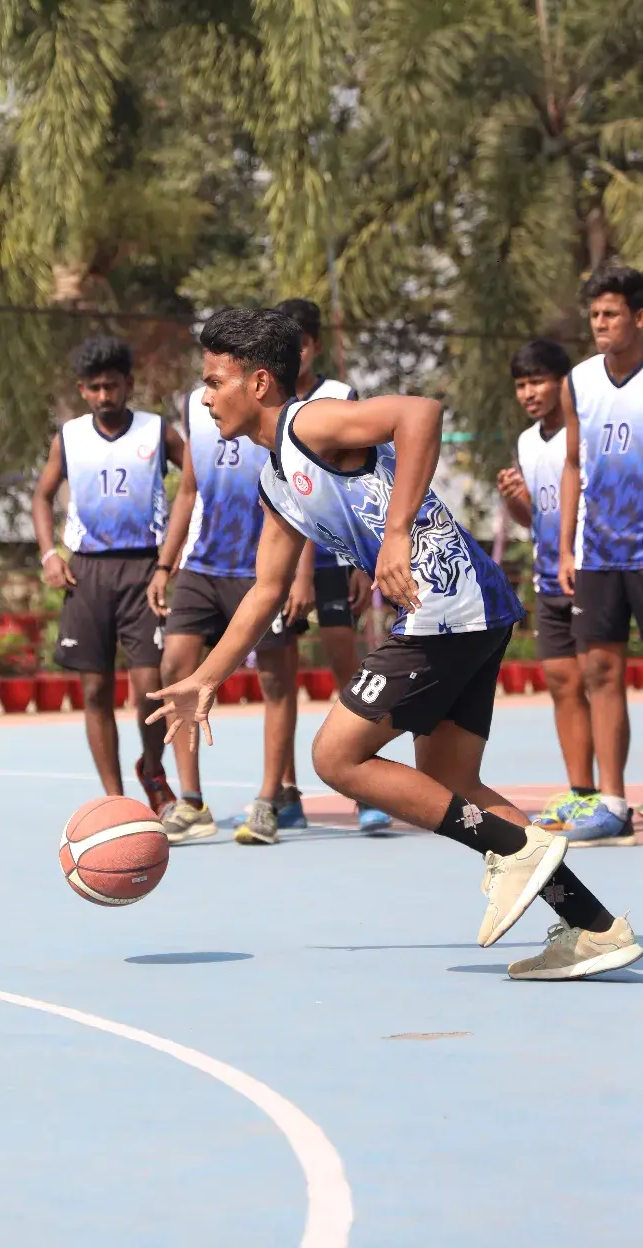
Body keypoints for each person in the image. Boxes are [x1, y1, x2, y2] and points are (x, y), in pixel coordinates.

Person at [148, 307, 641, 980]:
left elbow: (421, 413)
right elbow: (265, 590)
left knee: (336, 756)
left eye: (214, 381)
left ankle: (515, 850)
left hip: (447, 603)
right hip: (471, 607)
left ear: (258, 383)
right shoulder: (273, 478)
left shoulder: (308, 423)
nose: (204, 398)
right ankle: (595, 926)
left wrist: (399, 531)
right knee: (451, 782)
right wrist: (207, 676)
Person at [146, 381, 315, 844]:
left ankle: (266, 800)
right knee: (176, 667)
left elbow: (304, 496)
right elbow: (187, 491)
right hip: (202, 566)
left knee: (277, 682)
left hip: (262, 567)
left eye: (218, 370)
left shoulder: (283, 414)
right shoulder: (195, 407)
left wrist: (302, 575)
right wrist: (166, 563)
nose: (208, 383)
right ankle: (191, 801)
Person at [32, 336, 184, 809]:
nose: (104, 395)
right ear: (83, 390)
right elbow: (41, 496)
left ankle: (153, 768)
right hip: (87, 572)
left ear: (128, 385)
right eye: (94, 388)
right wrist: (48, 555)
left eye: (112, 386)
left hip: (143, 569)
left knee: (149, 688)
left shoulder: (157, 432)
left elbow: (195, 487)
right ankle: (115, 802)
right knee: (95, 687)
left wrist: (169, 560)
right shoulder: (70, 437)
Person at [274, 297, 391, 835]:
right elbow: (283, 499)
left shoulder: (338, 397)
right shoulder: (270, 403)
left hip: (334, 559)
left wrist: (366, 561)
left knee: (351, 668)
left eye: (299, 343)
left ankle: (365, 786)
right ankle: (286, 790)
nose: (292, 353)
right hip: (286, 557)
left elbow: (369, 480)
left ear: (314, 345)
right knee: (282, 677)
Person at [497, 339, 598, 832]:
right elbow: (532, 520)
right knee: (563, 684)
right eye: (521, 384)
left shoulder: (582, 437)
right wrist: (516, 500)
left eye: (538, 381)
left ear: (564, 383)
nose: (529, 392)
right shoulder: (526, 442)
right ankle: (583, 792)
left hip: (590, 571)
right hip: (547, 575)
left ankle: (613, 797)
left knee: (601, 683)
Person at [558, 262, 643, 847]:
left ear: (639, 317)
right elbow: (572, 464)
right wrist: (565, 546)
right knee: (601, 673)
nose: (600, 324)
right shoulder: (579, 382)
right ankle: (612, 803)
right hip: (598, 555)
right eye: (594, 315)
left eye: (611, 313)